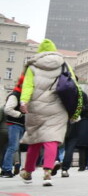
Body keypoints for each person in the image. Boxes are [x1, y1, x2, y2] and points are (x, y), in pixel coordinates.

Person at [18, 40, 78, 186]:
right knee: (52, 139)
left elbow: (27, 86)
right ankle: (48, 172)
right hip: (58, 107)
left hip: (37, 108)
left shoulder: (32, 66)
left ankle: (28, 172)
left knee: (35, 140)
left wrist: (23, 102)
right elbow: (74, 86)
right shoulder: (64, 64)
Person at [59, 96, 88, 175]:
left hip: (80, 133)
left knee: (81, 150)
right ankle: (86, 164)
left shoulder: (81, 114)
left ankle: (81, 166)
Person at [2, 75, 26, 177]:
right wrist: (19, 115)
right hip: (14, 124)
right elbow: (7, 109)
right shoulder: (15, 95)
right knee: (12, 147)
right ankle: (6, 170)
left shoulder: (21, 95)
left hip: (19, 124)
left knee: (14, 147)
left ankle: (7, 168)